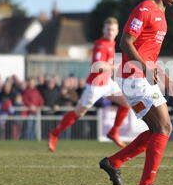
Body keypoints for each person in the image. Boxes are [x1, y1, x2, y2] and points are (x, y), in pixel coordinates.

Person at [99, 0, 173, 185]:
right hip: (133, 78)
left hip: (142, 78)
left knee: (159, 129)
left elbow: (148, 54)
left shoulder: (162, 17)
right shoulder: (144, 9)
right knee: (163, 127)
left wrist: (164, 77)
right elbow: (125, 43)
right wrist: (144, 67)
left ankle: (114, 162)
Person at [48, 17, 130, 151]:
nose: (110, 32)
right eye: (108, 29)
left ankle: (114, 132)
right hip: (95, 86)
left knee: (127, 102)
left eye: (113, 30)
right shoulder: (100, 44)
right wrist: (114, 66)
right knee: (79, 113)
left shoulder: (112, 43)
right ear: (103, 30)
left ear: (117, 31)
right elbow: (96, 66)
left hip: (108, 83)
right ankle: (55, 132)